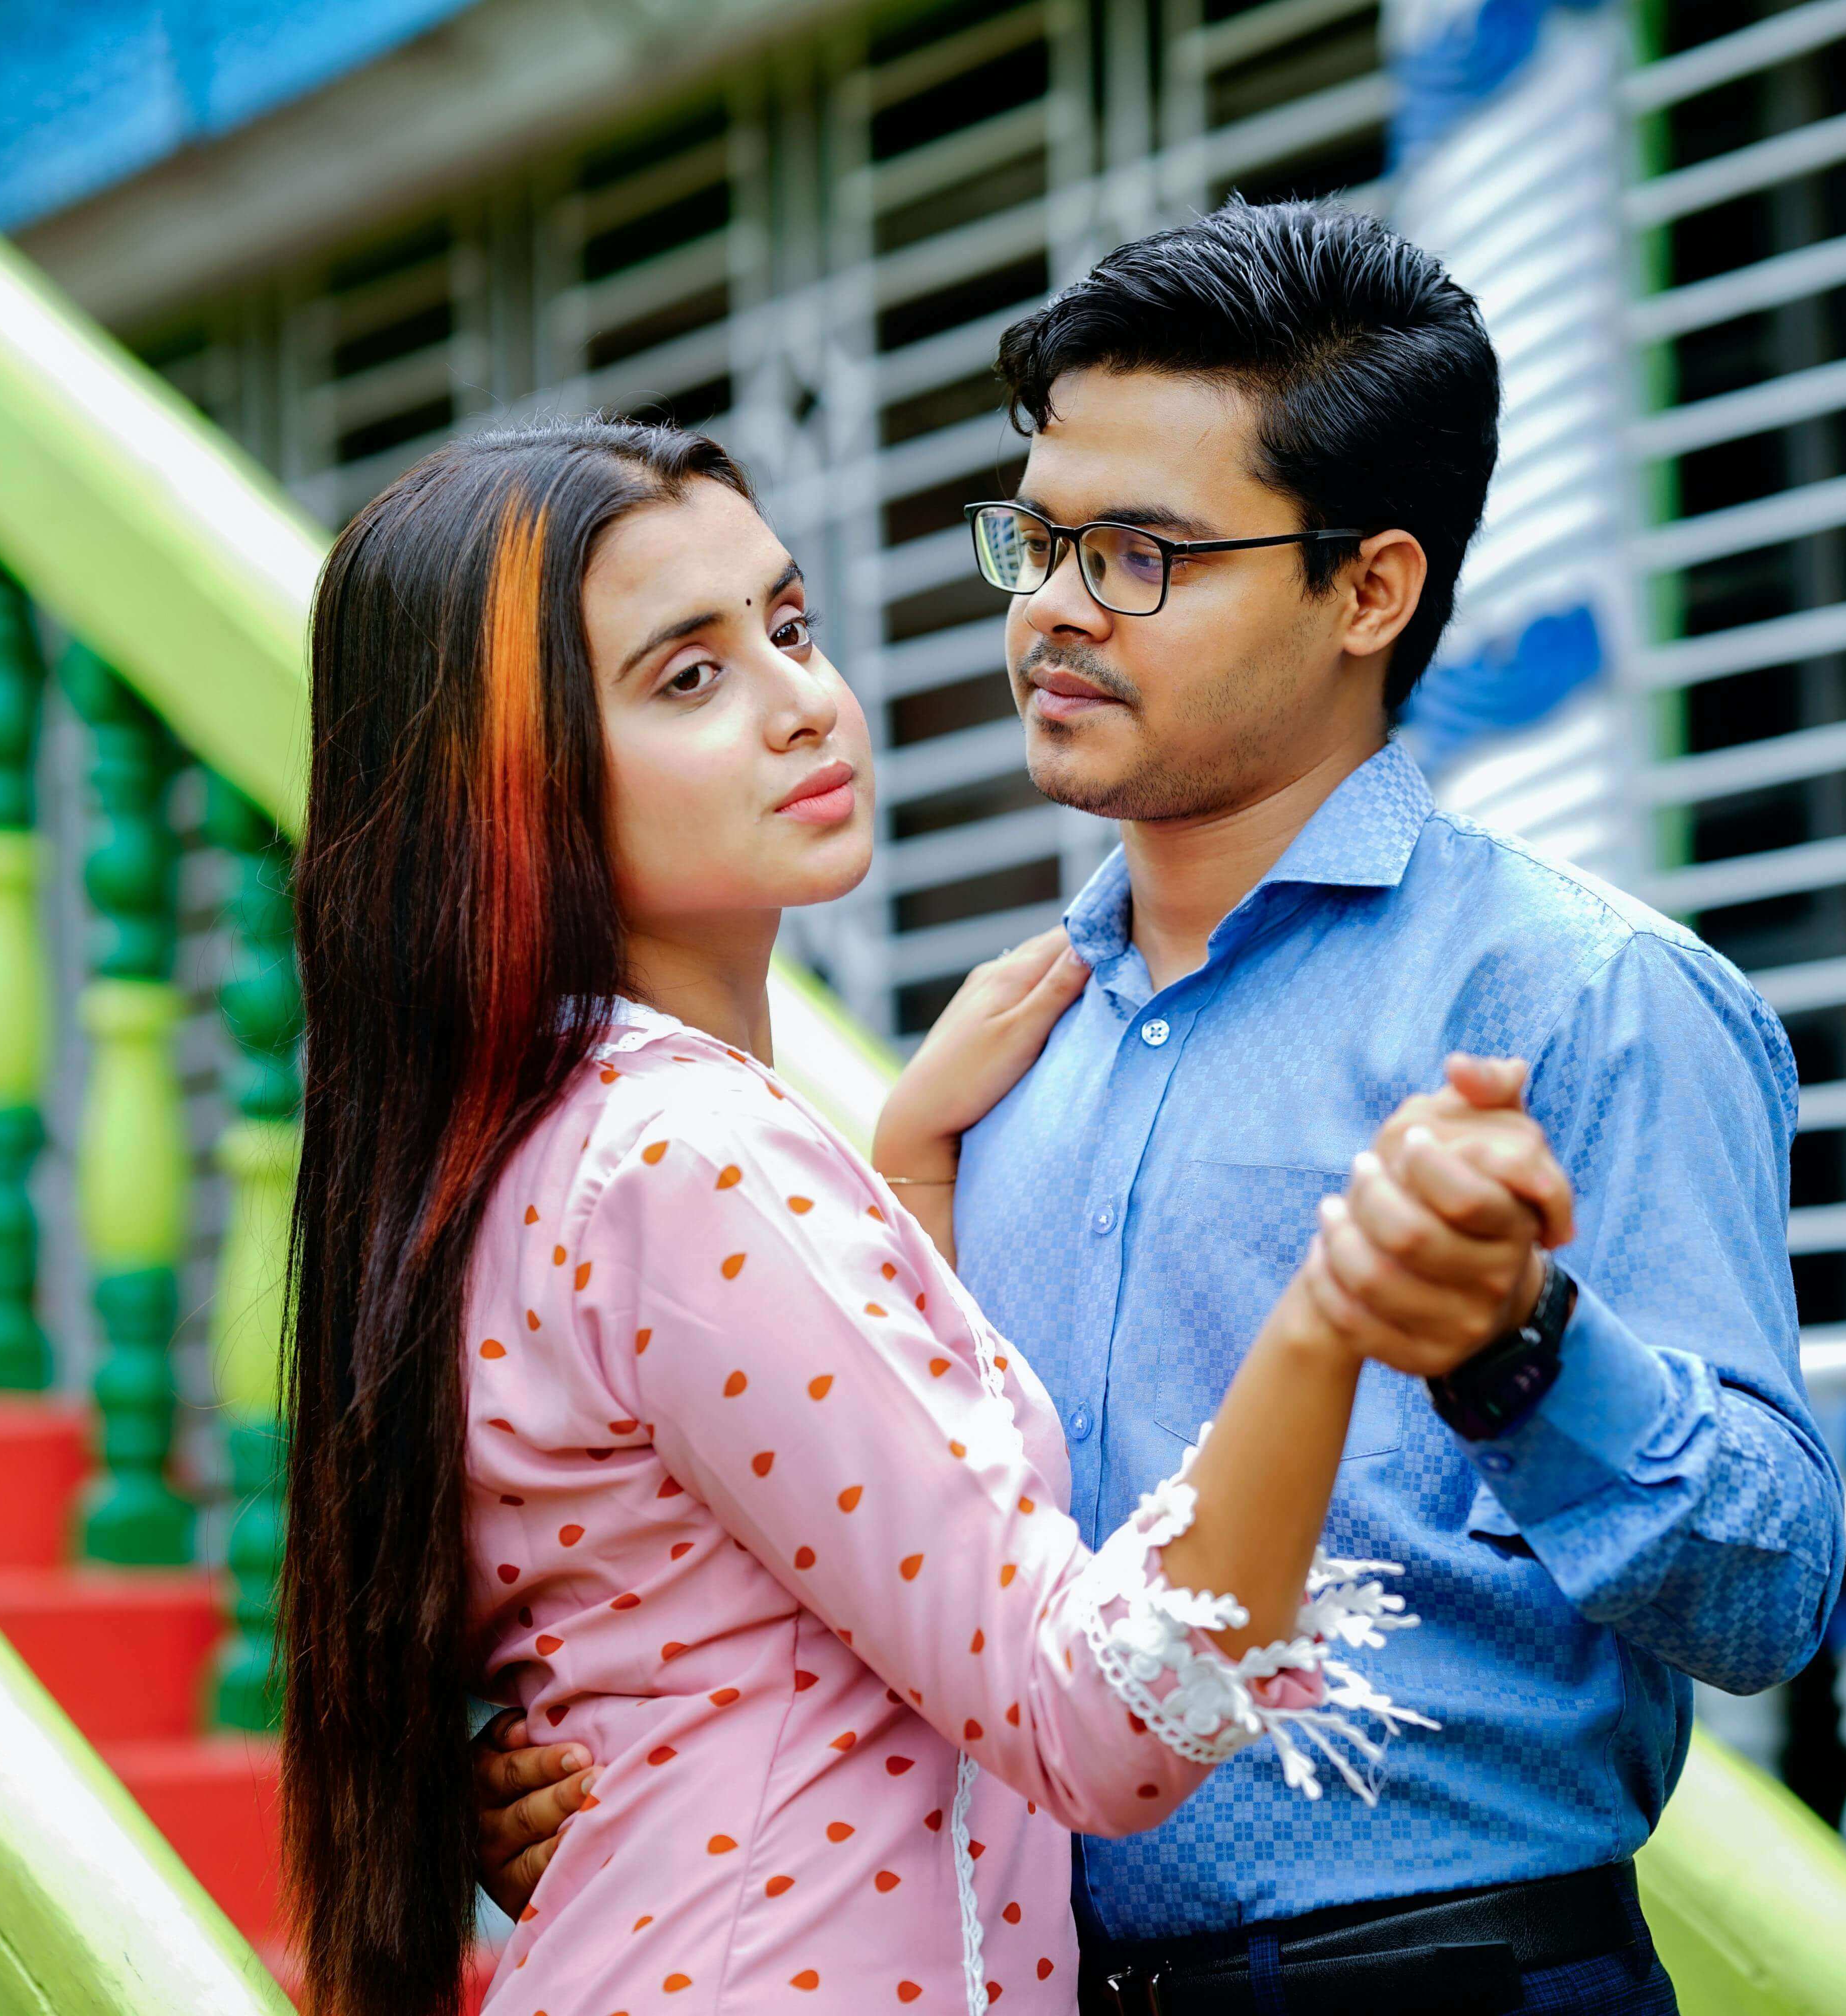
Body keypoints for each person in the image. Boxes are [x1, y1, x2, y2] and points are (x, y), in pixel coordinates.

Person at [480, 202, 1845, 2013]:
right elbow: (909, 1568)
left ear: (1370, 588)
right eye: (1040, 539)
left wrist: (1518, 1349)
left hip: (1436, 1980)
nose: (1052, 604)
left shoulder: (1581, 995)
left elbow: (1763, 1592)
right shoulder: (998, 1051)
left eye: (1140, 554)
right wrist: (550, 1736)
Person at [277, 416, 1585, 2016]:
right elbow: (1092, 1718)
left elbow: (779, 1586)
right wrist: (1332, 1308)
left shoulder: (534, 1141)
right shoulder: (683, 1162)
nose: (802, 704)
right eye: (688, 678)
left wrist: (903, 1178)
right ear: (503, 789)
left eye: (788, 627)